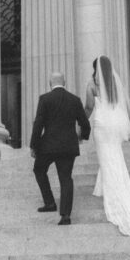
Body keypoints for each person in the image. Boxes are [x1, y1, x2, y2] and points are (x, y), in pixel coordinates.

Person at [85, 55, 130, 249]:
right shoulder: (116, 85)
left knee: (106, 157)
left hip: (101, 126)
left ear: (95, 69)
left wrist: (81, 124)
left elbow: (89, 107)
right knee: (113, 156)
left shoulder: (92, 84)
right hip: (115, 127)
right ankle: (102, 186)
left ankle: (114, 193)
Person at [30, 71, 91, 226]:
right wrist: (82, 136)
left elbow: (38, 124)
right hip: (68, 146)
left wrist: (33, 146)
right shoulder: (74, 100)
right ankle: (65, 215)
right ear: (65, 83)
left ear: (50, 83)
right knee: (65, 178)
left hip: (48, 146)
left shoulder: (44, 99)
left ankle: (50, 202)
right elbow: (85, 123)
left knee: (39, 170)